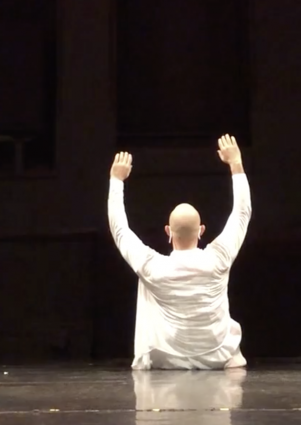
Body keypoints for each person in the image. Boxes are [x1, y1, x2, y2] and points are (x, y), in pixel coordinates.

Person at [108, 134, 252, 370]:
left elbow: (120, 230)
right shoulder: (218, 259)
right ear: (201, 231)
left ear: (168, 232)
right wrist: (236, 163)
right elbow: (242, 213)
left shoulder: (154, 268)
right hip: (218, 355)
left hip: (168, 358)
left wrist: (116, 180)